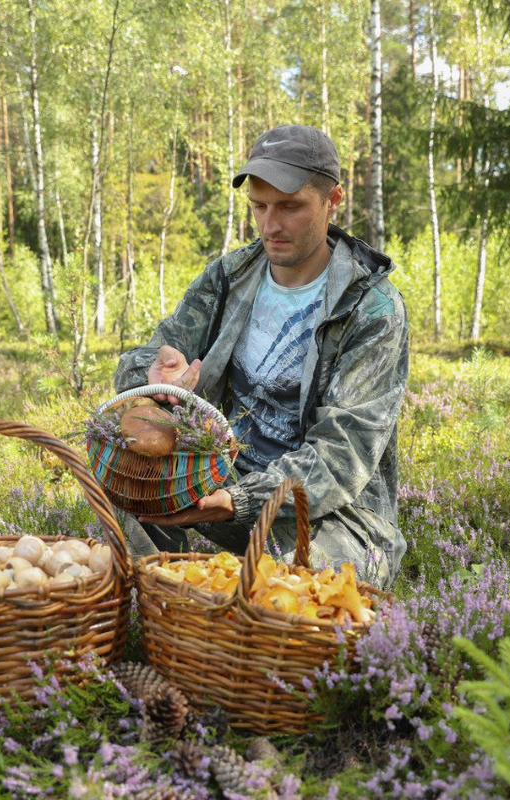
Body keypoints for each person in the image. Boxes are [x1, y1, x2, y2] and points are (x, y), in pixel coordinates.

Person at [112, 124, 409, 589]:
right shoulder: (232, 276)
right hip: (225, 478)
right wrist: (152, 373)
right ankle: (160, 609)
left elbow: (342, 456)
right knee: (124, 485)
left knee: (295, 581)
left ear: (333, 200)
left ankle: (232, 621)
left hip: (333, 514)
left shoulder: (372, 309)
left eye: (290, 206)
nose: (271, 225)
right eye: (259, 206)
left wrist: (238, 499)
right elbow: (150, 356)